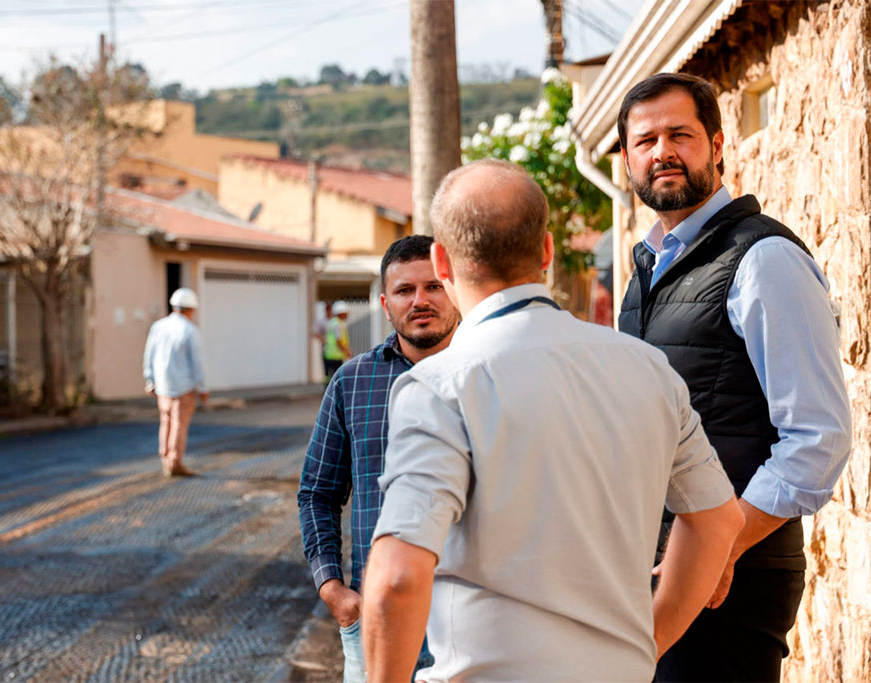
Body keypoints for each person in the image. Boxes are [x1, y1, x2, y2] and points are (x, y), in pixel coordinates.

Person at [361, 160, 746, 682]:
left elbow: (396, 580)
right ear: (546, 251)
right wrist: (648, 645)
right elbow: (718, 520)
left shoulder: (441, 387)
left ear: (441, 262)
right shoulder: (648, 368)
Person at [616, 72, 852, 681]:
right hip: (657, 566)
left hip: (734, 574)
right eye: (645, 141)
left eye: (680, 135)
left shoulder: (764, 259)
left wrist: (721, 544)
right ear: (627, 159)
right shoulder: (646, 270)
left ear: (717, 146)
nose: (662, 152)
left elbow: (818, 438)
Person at [298, 235, 460, 682]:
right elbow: (317, 492)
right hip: (377, 619)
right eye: (405, 290)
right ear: (387, 305)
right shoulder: (352, 382)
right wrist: (332, 586)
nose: (420, 300)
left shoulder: (488, 372)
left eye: (433, 286)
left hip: (472, 624)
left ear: (454, 289)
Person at [143, 287, 209, 478]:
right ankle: (175, 462)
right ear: (191, 309)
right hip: (184, 388)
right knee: (179, 425)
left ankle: (166, 459)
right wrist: (202, 388)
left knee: (166, 422)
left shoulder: (158, 327)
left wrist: (150, 380)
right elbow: (196, 363)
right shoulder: (190, 330)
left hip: (162, 386)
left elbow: (149, 355)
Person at [322, 301, 351, 380]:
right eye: (346, 312)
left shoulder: (334, 322)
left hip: (331, 355)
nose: (347, 313)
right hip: (334, 356)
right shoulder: (337, 324)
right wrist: (347, 351)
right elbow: (338, 341)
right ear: (341, 312)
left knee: (331, 377)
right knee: (335, 378)